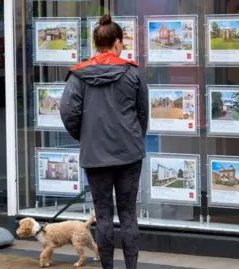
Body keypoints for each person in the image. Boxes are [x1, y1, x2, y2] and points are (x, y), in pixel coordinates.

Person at [59, 14, 148, 269]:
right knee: (129, 214)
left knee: (104, 215)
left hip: (96, 155)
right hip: (129, 154)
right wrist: (134, 138)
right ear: (117, 43)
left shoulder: (78, 75)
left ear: (96, 44)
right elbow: (143, 113)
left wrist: (85, 136)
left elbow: (67, 112)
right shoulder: (134, 73)